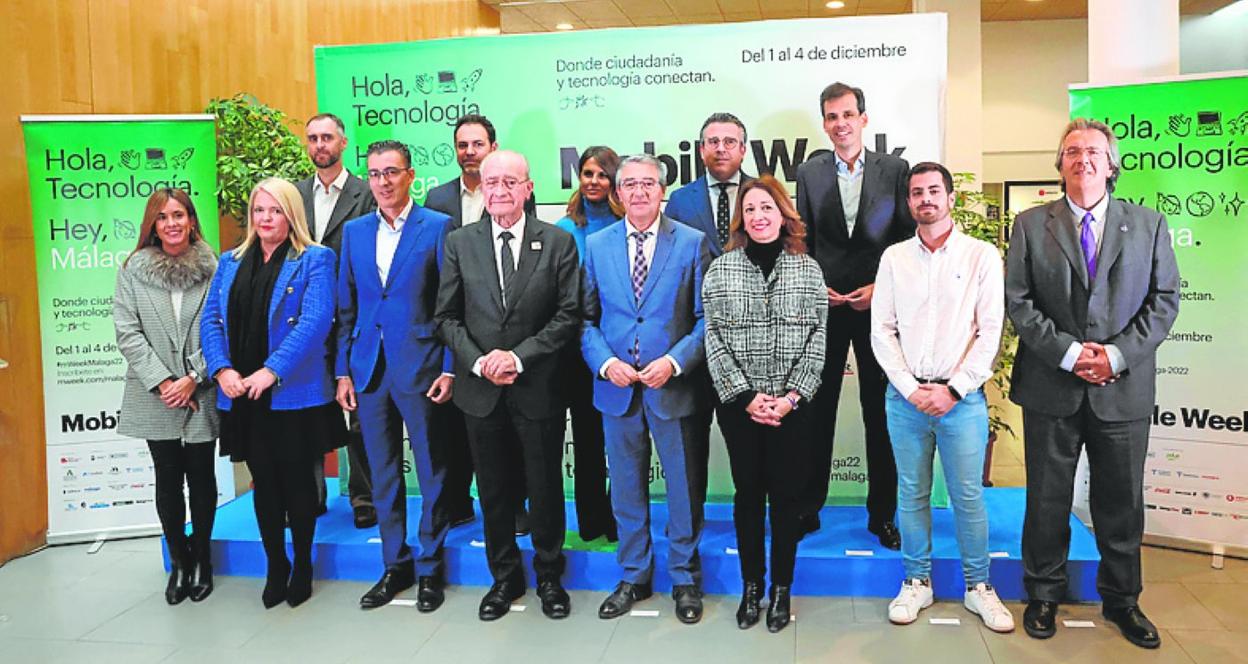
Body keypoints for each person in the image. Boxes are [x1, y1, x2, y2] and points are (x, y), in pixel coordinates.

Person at [1008, 119, 1179, 649]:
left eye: (1093, 151)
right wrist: (1068, 353)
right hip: (1050, 386)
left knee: (1121, 501)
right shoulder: (1031, 225)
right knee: (1046, 497)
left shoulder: (1149, 224)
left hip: (1121, 387)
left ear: (1112, 164)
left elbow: (1164, 300)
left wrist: (1115, 354)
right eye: (1071, 151)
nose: (1082, 159)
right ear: (1058, 165)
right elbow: (1019, 301)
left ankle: (1123, 600)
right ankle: (1042, 593)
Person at [434, 150, 580, 621]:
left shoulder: (557, 243)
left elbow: (568, 315)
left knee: (543, 487)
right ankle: (504, 578)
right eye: (491, 181)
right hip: (480, 392)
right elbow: (446, 317)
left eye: (509, 182)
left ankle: (550, 577)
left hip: (536, 387)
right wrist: (479, 364)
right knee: (493, 492)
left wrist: (518, 357)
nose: (498, 190)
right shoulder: (460, 242)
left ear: (528, 187)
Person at [870, 162, 1013, 633]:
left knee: (967, 497)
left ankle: (979, 588)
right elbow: (882, 331)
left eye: (934, 190)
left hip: (962, 400)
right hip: (905, 399)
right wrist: (912, 389)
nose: (925, 199)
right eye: (917, 192)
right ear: (909, 202)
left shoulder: (981, 257)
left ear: (950, 198)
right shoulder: (894, 258)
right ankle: (917, 581)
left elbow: (990, 332)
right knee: (910, 494)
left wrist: (953, 389)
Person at [202, 177, 343, 609]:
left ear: (291, 214)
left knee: (298, 485)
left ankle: (301, 564)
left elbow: (315, 321)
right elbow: (211, 320)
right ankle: (275, 564)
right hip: (242, 394)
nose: (266, 218)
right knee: (263, 484)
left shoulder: (315, 258)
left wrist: (271, 371)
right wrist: (221, 368)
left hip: (292, 395)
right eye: (259, 210)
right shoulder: (229, 261)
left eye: (275, 210)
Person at [581, 154, 711, 625]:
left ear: (661, 191)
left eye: (647, 184)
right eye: (629, 184)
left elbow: (704, 319)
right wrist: (605, 362)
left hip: (672, 388)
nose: (638, 192)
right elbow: (586, 319)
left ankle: (683, 577)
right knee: (627, 490)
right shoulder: (597, 245)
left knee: (683, 487)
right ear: (617, 194)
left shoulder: (692, 243)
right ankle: (634, 574)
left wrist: (675, 362)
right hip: (618, 389)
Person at [702, 174, 826, 633]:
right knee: (748, 496)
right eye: (750, 209)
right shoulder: (721, 270)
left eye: (767, 208)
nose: (758, 216)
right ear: (741, 218)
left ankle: (781, 589)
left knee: (788, 498)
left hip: (793, 407)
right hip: (741, 408)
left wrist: (791, 397)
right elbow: (713, 339)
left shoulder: (808, 269)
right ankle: (752, 586)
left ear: (783, 214)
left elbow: (818, 338)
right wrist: (748, 397)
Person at [336, 140, 455, 613]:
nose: (382, 182)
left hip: (422, 366)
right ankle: (395, 564)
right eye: (375, 174)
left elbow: (450, 306)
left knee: (431, 471)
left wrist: (449, 366)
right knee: (383, 474)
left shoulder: (438, 227)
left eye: (392, 172)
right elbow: (347, 307)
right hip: (368, 370)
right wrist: (343, 371)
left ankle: (429, 567)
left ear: (410, 175)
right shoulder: (355, 232)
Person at [796, 82, 913, 549]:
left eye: (847, 115)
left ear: (864, 118)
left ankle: (882, 514)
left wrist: (881, 289)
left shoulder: (896, 169)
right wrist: (812, 285)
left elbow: (905, 244)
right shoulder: (809, 173)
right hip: (824, 307)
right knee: (814, 411)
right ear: (823, 123)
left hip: (877, 309)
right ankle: (807, 507)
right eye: (831, 117)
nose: (839, 124)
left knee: (879, 413)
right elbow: (800, 239)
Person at [423, 113, 534, 532]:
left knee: (512, 431)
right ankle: (460, 501)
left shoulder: (515, 193)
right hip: (456, 327)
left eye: (477, 144)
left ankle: (516, 505)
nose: (469, 152)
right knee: (461, 426)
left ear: (492, 147)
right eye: (462, 145)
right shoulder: (437, 199)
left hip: (507, 330)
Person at [114, 188, 219, 605]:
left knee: (202, 478)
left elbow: (222, 326)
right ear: (152, 225)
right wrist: (164, 383)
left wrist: (193, 377)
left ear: (192, 221)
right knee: (168, 479)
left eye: (179, 215)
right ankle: (179, 561)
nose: (172, 223)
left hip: (202, 388)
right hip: (153, 393)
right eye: (163, 217)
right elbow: (127, 332)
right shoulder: (133, 269)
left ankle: (203, 560)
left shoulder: (215, 267)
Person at [665, 111, 756, 516]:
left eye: (729, 141)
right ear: (701, 150)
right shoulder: (682, 200)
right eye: (713, 141)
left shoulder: (762, 195)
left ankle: (750, 519)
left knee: (747, 445)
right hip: (696, 339)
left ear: (743, 148)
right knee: (691, 439)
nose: (721, 148)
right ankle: (689, 519)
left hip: (750, 343)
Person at [295, 112, 378, 528]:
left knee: (360, 412)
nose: (319, 145)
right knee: (308, 409)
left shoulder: (366, 194)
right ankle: (310, 496)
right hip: (304, 323)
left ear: (343, 143)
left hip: (356, 317)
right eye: (312, 138)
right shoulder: (293, 195)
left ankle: (364, 497)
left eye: (327, 137)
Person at [554, 145, 625, 543]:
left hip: (618, 348)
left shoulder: (625, 225)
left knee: (622, 439)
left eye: (602, 174)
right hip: (575, 350)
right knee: (586, 439)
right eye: (587, 174)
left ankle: (620, 519)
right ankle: (592, 519)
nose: (594, 182)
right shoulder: (564, 229)